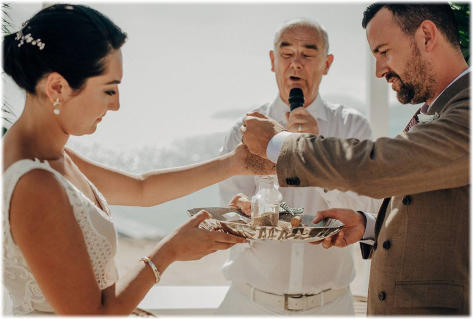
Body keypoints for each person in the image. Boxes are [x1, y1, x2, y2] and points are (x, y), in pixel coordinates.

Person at [2, 4, 275, 315]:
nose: (117, 105)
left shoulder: (51, 156)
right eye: (109, 90)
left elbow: (141, 189)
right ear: (57, 87)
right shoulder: (35, 183)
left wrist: (234, 163)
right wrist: (170, 250)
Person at [240, 3, 469, 315]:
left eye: (384, 51)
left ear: (427, 36)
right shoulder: (436, 110)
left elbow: (382, 167)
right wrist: (371, 226)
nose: (379, 70)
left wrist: (281, 144)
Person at [217, 18, 380, 315]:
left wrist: (317, 153)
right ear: (272, 60)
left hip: (330, 306)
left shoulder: (352, 126)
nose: (296, 64)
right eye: (286, 53)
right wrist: (243, 210)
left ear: (327, 64)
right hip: (250, 304)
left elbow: (365, 209)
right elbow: (230, 215)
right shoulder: (245, 130)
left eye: (307, 54)